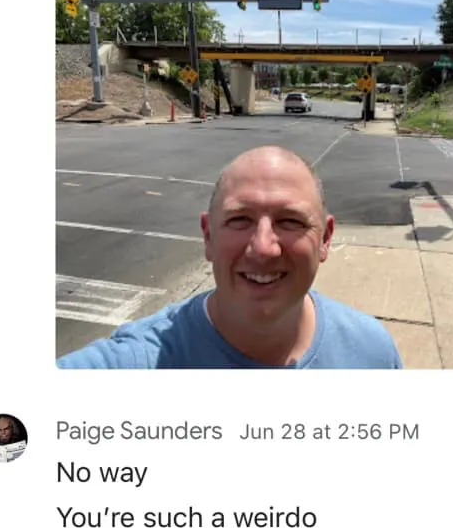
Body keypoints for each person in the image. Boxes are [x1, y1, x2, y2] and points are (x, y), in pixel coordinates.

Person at [58, 146, 402, 369]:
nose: (264, 247)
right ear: (208, 236)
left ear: (325, 238)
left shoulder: (373, 353)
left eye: (290, 221)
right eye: (240, 219)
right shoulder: (142, 361)